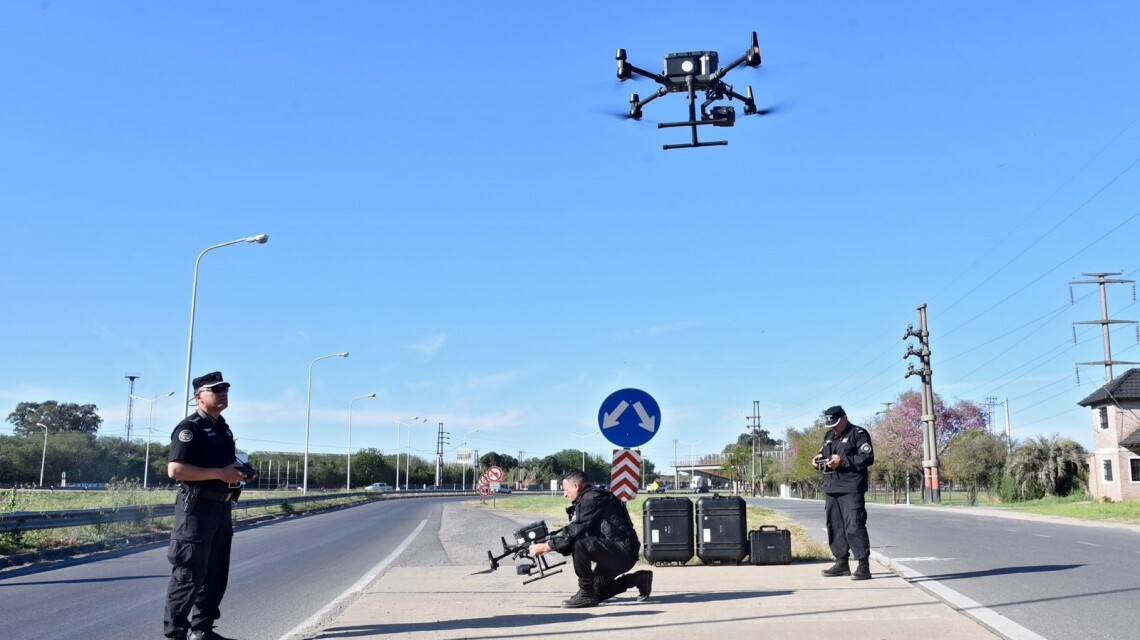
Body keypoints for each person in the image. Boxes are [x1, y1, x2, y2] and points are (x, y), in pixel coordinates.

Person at [163, 372, 256, 640]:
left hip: (221, 509)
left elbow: (224, 466)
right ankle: (176, 635)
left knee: (215, 575)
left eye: (225, 388)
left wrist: (242, 472)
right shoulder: (189, 428)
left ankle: (202, 631)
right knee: (189, 574)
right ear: (199, 397)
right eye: (215, 389)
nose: (223, 392)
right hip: (196, 511)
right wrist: (219, 473)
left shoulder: (222, 429)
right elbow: (176, 469)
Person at [529, 470, 653, 608]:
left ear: (576, 486)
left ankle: (585, 594)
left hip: (622, 550)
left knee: (579, 543)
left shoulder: (592, 498)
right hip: (614, 552)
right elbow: (575, 531)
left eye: (565, 490)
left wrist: (546, 547)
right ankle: (638, 579)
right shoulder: (589, 498)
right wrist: (551, 541)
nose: (564, 494)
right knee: (597, 593)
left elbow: (575, 531)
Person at [813, 405, 875, 581]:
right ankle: (841, 562)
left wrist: (843, 461)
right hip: (831, 488)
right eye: (830, 424)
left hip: (851, 488)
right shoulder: (829, 436)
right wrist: (818, 460)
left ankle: (863, 565)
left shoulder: (858, 433)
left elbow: (867, 458)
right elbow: (824, 454)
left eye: (836, 423)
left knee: (854, 526)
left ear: (845, 418)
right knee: (835, 526)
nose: (833, 427)